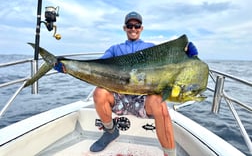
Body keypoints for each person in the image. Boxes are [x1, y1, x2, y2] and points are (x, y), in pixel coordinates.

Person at [54, 11, 198, 156]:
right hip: (119, 97)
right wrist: (69, 67)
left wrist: (188, 56)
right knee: (99, 93)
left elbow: (171, 63)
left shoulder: (151, 48)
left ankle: (169, 154)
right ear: (125, 28)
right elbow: (98, 67)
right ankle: (110, 132)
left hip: (143, 98)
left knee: (160, 103)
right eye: (130, 25)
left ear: (141, 28)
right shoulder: (115, 49)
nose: (133, 29)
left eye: (137, 26)